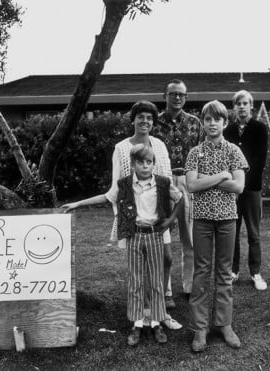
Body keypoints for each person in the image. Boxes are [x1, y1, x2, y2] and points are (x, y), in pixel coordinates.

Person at [62, 144, 183, 346]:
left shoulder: (162, 183)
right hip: (134, 236)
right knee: (135, 280)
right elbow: (105, 197)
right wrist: (77, 204)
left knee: (156, 280)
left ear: (153, 163)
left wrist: (170, 221)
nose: (145, 166)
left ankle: (155, 323)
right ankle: (136, 324)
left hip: (155, 236)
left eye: (149, 162)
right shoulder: (125, 184)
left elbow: (180, 198)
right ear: (133, 163)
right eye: (140, 162)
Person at [185, 100, 248, 352]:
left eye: (217, 119)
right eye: (207, 119)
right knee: (201, 272)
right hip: (201, 219)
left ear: (225, 122)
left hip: (227, 218)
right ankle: (200, 329)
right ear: (203, 122)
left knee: (224, 272)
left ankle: (224, 324)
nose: (212, 123)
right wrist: (223, 176)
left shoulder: (234, 151)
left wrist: (206, 180)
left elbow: (239, 187)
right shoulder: (194, 152)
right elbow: (191, 185)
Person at [152, 79, 203, 302]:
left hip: (187, 181)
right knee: (163, 236)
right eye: (173, 94)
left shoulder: (195, 123)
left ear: (186, 97)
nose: (178, 97)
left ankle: (189, 286)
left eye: (182, 94)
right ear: (165, 96)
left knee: (189, 236)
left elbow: (203, 154)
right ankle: (165, 289)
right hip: (162, 181)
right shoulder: (154, 123)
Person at [224, 90, 269, 291]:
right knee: (232, 231)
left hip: (251, 188)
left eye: (245, 103)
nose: (241, 106)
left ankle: (255, 273)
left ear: (251, 105)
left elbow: (260, 160)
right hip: (232, 190)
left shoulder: (260, 128)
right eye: (238, 103)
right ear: (234, 107)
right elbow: (225, 160)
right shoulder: (228, 130)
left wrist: (243, 182)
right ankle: (233, 271)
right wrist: (233, 184)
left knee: (253, 233)